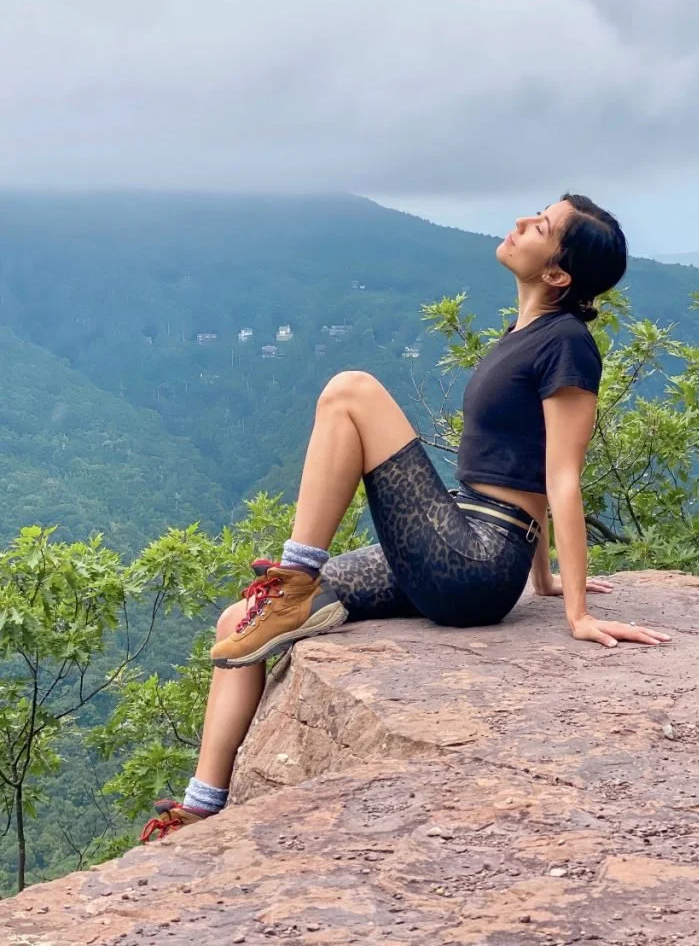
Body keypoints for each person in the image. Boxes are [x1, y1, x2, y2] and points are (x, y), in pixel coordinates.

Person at [139, 193, 670, 843]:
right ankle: (204, 803)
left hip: (473, 562)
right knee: (236, 622)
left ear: (558, 275)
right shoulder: (525, 335)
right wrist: (545, 577)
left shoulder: (567, 346)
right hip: (463, 540)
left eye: (541, 227)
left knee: (350, 392)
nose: (520, 223)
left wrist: (575, 611)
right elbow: (521, 467)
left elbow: (560, 476)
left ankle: (296, 576)